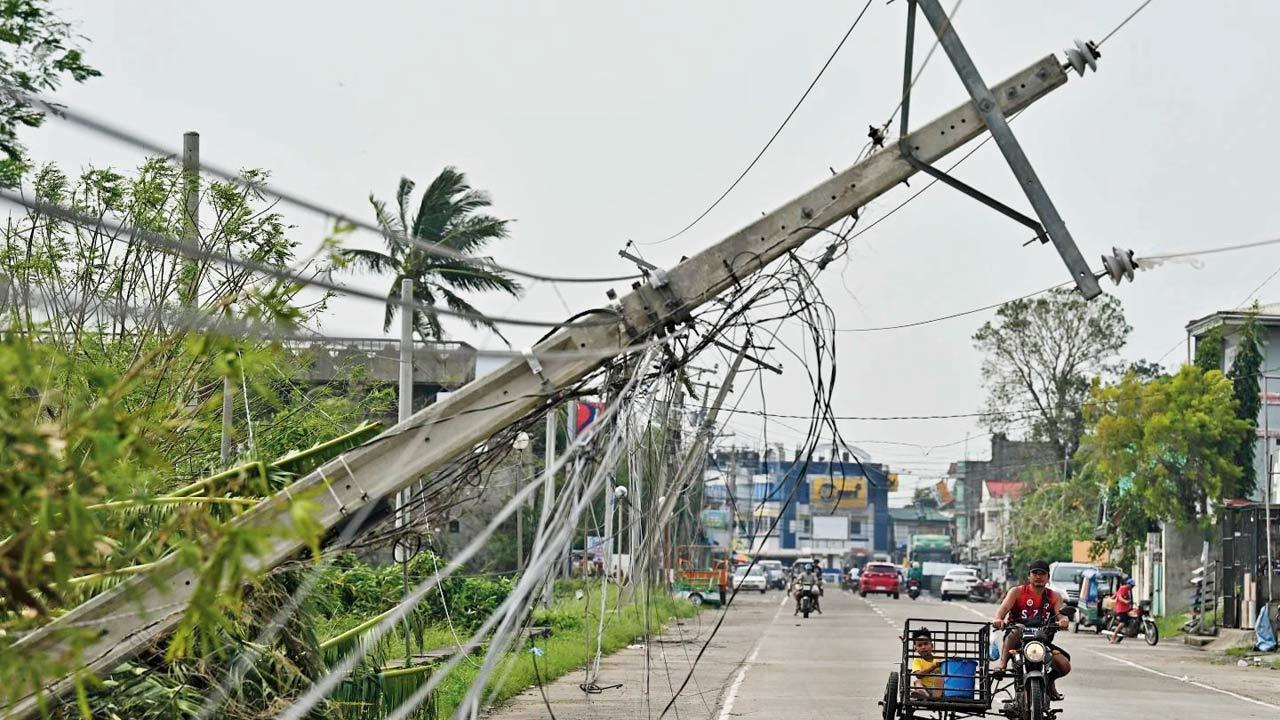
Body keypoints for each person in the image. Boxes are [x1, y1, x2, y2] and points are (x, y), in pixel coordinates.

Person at [991, 559, 1072, 701]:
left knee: (1065, 666)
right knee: (1018, 629)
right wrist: (998, 619)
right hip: (1017, 640)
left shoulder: (1054, 596)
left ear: (1048, 577)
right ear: (1029, 576)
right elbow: (1003, 608)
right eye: (1035, 573)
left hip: (1041, 641)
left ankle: (1050, 682)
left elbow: (1061, 614)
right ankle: (1002, 664)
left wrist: (1063, 621)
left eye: (1042, 574)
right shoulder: (1017, 592)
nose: (1039, 576)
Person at [909, 627, 944, 699]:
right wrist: (932, 667)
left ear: (932, 646)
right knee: (917, 682)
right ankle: (924, 694)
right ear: (915, 649)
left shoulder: (938, 658)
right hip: (925, 688)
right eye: (919, 645)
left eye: (926, 644)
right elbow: (918, 675)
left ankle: (936, 697)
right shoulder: (917, 660)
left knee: (940, 680)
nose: (923, 647)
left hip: (938, 690)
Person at [1110, 578, 1136, 644]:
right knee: (1122, 623)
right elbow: (1119, 597)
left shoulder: (1129, 590)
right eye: (1131, 585)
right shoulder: (1123, 588)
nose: (1132, 587)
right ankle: (1113, 638)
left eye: (1133, 586)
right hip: (1121, 609)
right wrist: (1125, 601)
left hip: (1128, 608)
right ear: (1128, 584)